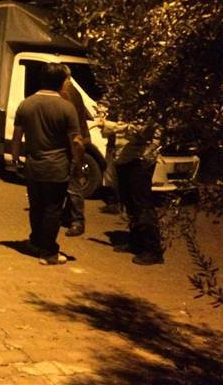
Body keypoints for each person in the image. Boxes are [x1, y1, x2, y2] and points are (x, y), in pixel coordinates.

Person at [11, 63, 84, 265]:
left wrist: (15, 159)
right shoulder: (66, 107)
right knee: (53, 209)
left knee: (36, 207)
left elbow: (17, 137)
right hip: (57, 166)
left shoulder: (26, 104)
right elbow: (76, 141)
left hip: (33, 165)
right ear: (61, 82)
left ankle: (36, 242)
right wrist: (78, 165)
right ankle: (49, 252)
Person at [97, 116, 164, 265]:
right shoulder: (127, 109)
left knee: (142, 204)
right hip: (125, 159)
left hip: (140, 160)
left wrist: (111, 125)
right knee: (130, 204)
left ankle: (153, 249)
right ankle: (136, 242)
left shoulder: (146, 108)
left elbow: (141, 131)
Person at [59, 76, 91, 237]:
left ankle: (77, 221)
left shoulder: (66, 92)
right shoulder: (73, 91)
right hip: (78, 138)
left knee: (73, 185)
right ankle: (68, 215)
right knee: (71, 184)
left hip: (73, 142)